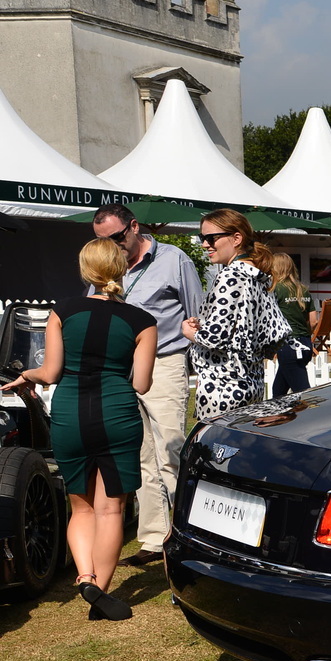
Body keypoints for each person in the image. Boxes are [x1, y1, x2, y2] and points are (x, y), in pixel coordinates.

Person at [2, 239, 156, 620]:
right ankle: (99, 590)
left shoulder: (63, 312)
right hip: (117, 414)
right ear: (122, 270)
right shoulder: (143, 321)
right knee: (111, 509)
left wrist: (27, 375)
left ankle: (84, 574)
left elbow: (50, 372)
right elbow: (141, 384)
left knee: (81, 508)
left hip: (72, 413)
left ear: (86, 270)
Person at [90, 202, 203, 569]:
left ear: (134, 227)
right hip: (120, 367)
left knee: (170, 447)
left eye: (117, 237)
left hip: (164, 362)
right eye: (102, 240)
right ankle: (154, 538)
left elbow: (195, 314)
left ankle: (188, 537)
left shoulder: (174, 259)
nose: (113, 246)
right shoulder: (107, 262)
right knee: (139, 453)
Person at [183, 209, 280, 420]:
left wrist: (189, 331)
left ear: (237, 238)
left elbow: (214, 337)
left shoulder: (231, 275)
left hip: (223, 386)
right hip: (251, 382)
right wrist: (203, 323)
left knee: (215, 450)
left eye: (211, 238)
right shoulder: (256, 276)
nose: (204, 244)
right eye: (203, 237)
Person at [269, 251, 319, 398]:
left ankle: (314, 419)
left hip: (289, 344)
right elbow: (314, 321)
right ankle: (281, 418)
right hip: (305, 342)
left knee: (303, 394)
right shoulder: (303, 289)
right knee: (278, 390)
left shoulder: (276, 289)